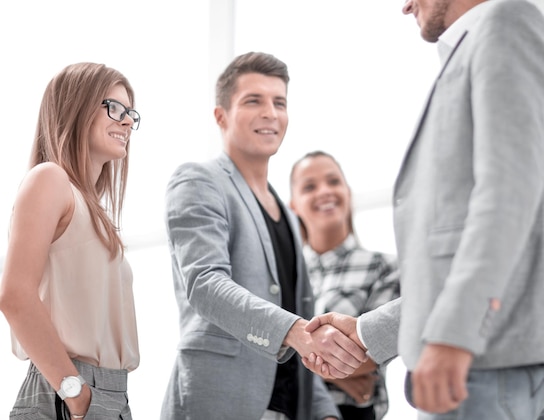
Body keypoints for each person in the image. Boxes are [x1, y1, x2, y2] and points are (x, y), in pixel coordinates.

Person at [303, 0, 544, 418]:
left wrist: (455, 333)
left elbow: (507, 196)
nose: (405, 6)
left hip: (487, 349)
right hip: (480, 354)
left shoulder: (506, 24)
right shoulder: (475, 44)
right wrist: (367, 332)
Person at [160, 52, 366, 420]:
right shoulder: (198, 180)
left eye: (279, 102)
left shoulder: (288, 213)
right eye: (253, 100)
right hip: (219, 403)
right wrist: (298, 332)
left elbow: (299, 327)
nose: (270, 112)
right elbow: (205, 285)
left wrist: (324, 412)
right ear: (220, 116)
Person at [0, 62, 141, 419]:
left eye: (130, 113)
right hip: (68, 395)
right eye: (114, 107)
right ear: (76, 107)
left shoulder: (95, 212)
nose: (126, 121)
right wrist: (76, 394)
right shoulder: (50, 180)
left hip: (108, 398)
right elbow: (15, 296)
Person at [289, 151, 401, 420]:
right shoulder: (283, 275)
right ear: (293, 205)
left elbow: (373, 350)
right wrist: (338, 375)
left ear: (348, 192)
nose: (324, 191)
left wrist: (289, 345)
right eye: (309, 187)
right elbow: (258, 343)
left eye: (333, 182)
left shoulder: (384, 267)